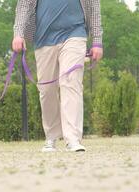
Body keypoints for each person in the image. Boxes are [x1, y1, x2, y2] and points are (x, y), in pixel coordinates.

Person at [12, 0, 103, 152]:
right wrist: (18, 34)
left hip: (75, 35)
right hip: (43, 38)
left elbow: (94, 7)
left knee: (71, 82)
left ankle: (73, 138)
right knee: (47, 90)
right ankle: (51, 137)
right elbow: (24, 6)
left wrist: (97, 41)